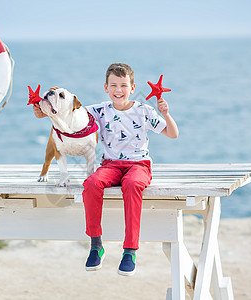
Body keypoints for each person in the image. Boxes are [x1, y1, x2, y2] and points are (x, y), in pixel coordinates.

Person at [33, 63, 179, 276]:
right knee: (91, 183)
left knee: (132, 184)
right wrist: (42, 110)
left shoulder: (144, 111)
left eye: (123, 85)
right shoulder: (98, 110)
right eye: (113, 85)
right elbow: (67, 111)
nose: (118, 90)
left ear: (132, 87)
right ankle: (96, 245)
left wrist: (166, 114)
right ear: (106, 87)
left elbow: (172, 133)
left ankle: (129, 250)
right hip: (110, 165)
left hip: (139, 165)